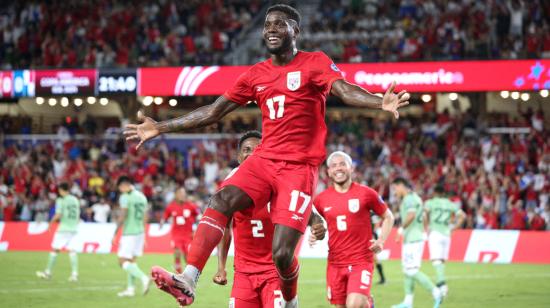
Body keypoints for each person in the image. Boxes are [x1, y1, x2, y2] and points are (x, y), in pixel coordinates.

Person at [124, 4, 409, 307]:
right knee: (221, 200)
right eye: (267, 25)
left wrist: (380, 103)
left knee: (282, 255)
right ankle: (189, 278)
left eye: (279, 24)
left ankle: (290, 300)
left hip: (299, 168)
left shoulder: (314, 63)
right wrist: (160, 127)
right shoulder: (255, 74)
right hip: (264, 159)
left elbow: (345, 90)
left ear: (295, 31)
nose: (271, 29)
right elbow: (213, 111)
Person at [211, 131, 327, 307]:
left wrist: (318, 225)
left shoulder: (280, 183)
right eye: (246, 149)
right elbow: (225, 228)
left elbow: (309, 214)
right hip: (243, 273)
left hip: (275, 273)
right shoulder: (231, 187)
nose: (251, 153)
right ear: (238, 155)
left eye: (257, 149)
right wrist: (221, 267)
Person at [310, 151, 394, 308]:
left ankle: (365, 302)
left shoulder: (366, 193)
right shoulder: (321, 199)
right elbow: (315, 222)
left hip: (361, 260)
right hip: (335, 263)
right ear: (328, 172)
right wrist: (315, 233)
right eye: (333, 165)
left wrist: (381, 240)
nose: (338, 168)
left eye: (342, 164)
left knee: (354, 305)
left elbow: (388, 216)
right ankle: (368, 304)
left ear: (351, 168)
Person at [391, 178, 442, 308]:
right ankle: (408, 302)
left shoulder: (409, 199)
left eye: (395, 188)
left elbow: (412, 215)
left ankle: (436, 292)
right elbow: (424, 215)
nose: (394, 191)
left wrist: (400, 230)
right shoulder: (416, 198)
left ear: (401, 185)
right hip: (416, 237)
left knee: (411, 270)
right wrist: (425, 231)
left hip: (413, 239)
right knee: (407, 269)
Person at [112, 176, 151, 297]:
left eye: (120, 187)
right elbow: (146, 217)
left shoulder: (125, 197)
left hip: (129, 233)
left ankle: (144, 278)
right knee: (131, 261)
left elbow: (123, 216)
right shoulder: (142, 196)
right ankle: (130, 289)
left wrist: (115, 233)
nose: (120, 190)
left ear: (124, 185)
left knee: (122, 261)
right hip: (140, 232)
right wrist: (144, 235)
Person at [424, 185, 465, 297]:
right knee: (441, 261)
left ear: (435, 193)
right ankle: (440, 284)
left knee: (436, 261)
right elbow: (462, 216)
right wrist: (454, 228)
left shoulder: (430, 203)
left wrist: (426, 227)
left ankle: (442, 285)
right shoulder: (451, 204)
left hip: (435, 233)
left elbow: (424, 214)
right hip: (446, 234)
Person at [36, 182, 80, 281]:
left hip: (64, 228)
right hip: (74, 229)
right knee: (72, 251)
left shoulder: (61, 200)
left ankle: (47, 272)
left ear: (61, 190)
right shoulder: (75, 200)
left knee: (55, 249)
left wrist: (50, 223)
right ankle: (74, 274)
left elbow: (58, 214)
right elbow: (77, 215)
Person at [160, 187, 201, 273]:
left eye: (183, 194)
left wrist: (198, 225)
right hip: (176, 234)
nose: (182, 195)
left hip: (188, 235)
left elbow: (198, 215)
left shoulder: (191, 205)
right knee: (177, 252)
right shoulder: (171, 206)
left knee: (188, 256)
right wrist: (162, 222)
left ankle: (189, 274)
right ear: (176, 195)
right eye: (180, 194)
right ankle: (178, 273)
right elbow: (165, 216)